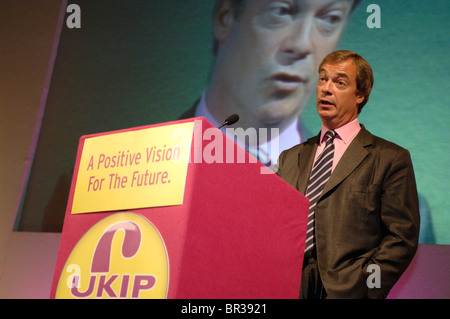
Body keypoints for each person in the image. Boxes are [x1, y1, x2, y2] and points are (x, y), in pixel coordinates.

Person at [276, 50, 420, 298]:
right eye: (323, 79)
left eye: (339, 82)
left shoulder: (389, 158)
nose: (326, 89)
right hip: (288, 287)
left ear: (360, 95)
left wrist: (363, 286)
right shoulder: (290, 157)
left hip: (347, 289)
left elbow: (401, 237)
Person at [181, 0, 362, 165]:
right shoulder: (158, 159)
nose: (302, 45)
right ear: (225, 18)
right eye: (281, 11)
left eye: (330, 18)